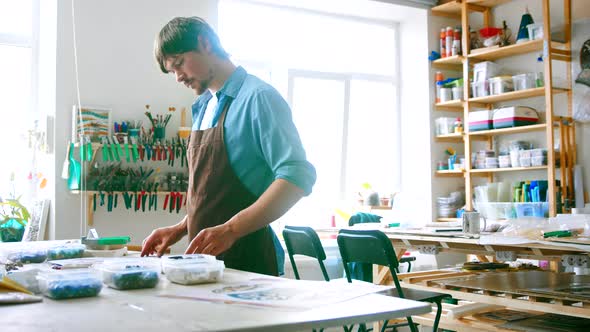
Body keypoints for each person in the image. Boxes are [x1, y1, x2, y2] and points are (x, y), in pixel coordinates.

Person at [141, 16, 316, 276]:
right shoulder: (204, 106)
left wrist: (231, 230)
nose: (178, 77)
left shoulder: (258, 98)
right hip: (207, 264)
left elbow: (297, 177)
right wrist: (181, 228)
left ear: (205, 44)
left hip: (249, 264)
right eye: (172, 71)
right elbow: (217, 196)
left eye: (179, 64)